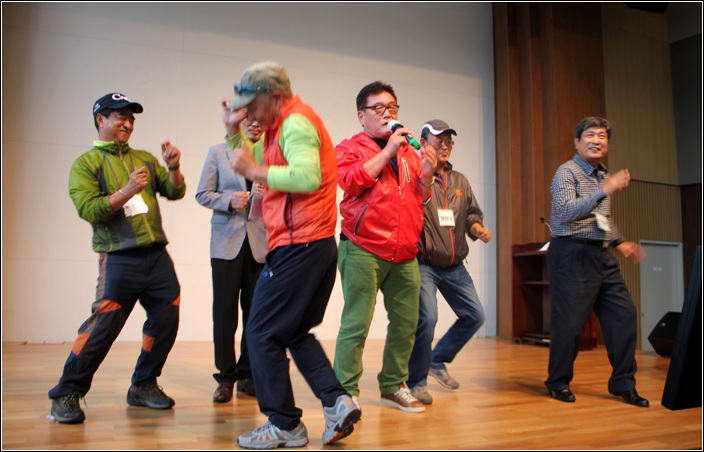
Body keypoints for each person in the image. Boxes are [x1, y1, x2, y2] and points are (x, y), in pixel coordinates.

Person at [224, 61, 360, 449]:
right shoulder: (279, 126)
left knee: (261, 333)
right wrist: (233, 134)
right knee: (294, 332)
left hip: (299, 246)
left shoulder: (296, 123)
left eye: (252, 105)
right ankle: (336, 403)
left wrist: (254, 170)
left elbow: (306, 177)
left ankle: (284, 424)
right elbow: (252, 163)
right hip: (313, 246)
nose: (248, 114)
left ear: (274, 97)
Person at [48, 92, 186, 424]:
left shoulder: (144, 158)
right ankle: (66, 393)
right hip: (118, 258)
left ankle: (143, 384)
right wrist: (126, 191)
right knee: (102, 328)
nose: (128, 123)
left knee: (166, 320)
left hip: (157, 256)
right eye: (120, 116)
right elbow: (89, 210)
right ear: (100, 120)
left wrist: (173, 167)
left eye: (131, 118)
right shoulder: (86, 164)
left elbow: (175, 191)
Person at [333, 81, 436, 414]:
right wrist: (388, 151)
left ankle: (393, 384)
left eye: (391, 107)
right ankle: (345, 391)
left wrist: (427, 176)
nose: (387, 113)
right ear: (361, 115)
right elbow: (350, 181)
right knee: (356, 324)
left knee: (407, 324)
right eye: (378, 108)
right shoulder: (350, 147)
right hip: (363, 247)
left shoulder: (409, 153)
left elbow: (420, 198)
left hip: (404, 252)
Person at [545, 116, 649, 407]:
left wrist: (619, 242)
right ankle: (558, 382)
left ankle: (623, 384)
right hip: (571, 253)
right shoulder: (567, 172)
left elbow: (600, 219)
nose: (597, 141)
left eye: (602, 136)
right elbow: (565, 212)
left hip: (601, 254)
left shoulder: (603, 175)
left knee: (624, 316)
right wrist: (605, 190)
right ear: (577, 141)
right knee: (570, 324)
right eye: (590, 135)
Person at [406, 119, 491, 405]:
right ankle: (416, 381)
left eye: (448, 141)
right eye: (438, 141)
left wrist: (477, 229)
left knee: (475, 315)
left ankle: (437, 359)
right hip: (425, 262)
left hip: (455, 265)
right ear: (423, 143)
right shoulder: (415, 174)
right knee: (427, 318)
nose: (444, 146)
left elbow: (471, 214)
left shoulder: (461, 181)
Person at [195, 117, 267, 403]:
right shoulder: (218, 152)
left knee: (255, 312)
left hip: (260, 242)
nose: (256, 123)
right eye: (249, 118)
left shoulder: (271, 155)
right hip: (226, 242)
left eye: (261, 118)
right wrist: (229, 200)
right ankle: (225, 377)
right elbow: (202, 194)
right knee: (225, 312)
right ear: (238, 121)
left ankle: (248, 374)